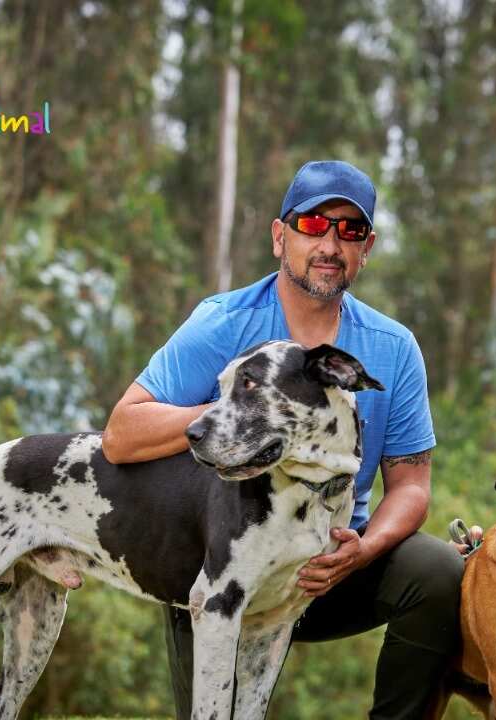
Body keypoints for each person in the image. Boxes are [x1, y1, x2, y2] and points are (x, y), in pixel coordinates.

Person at [100, 160, 463, 720]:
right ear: (279, 236)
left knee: (439, 573)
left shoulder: (393, 348)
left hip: (333, 563)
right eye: (314, 225)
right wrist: (238, 412)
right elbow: (122, 434)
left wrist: (360, 551)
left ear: (366, 249)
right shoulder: (223, 323)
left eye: (350, 231)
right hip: (227, 564)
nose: (331, 244)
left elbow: (412, 486)